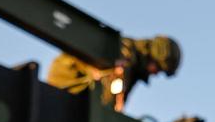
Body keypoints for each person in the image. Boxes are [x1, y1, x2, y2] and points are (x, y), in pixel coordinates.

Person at [46, 34, 182, 112]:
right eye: (158, 68)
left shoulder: (135, 67)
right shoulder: (125, 53)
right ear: (152, 58)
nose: (156, 73)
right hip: (67, 83)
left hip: (78, 96)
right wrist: (109, 120)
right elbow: (112, 89)